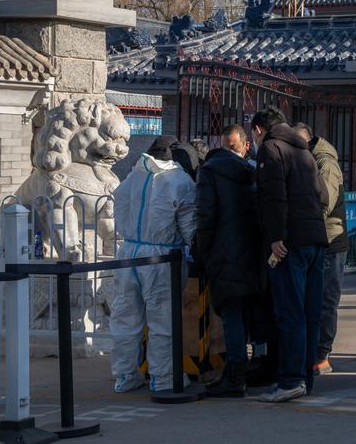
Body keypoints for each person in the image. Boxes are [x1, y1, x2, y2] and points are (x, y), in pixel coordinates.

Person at [252, 107, 329, 403]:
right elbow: (322, 195)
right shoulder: (305, 151)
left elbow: (273, 196)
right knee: (310, 313)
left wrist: (275, 237)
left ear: (259, 129)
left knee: (290, 312)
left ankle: (290, 380)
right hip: (315, 240)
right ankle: (305, 378)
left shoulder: (271, 149)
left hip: (290, 242)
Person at [110, 136, 196, 393]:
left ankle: (125, 375)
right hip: (162, 257)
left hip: (128, 252)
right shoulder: (180, 181)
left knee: (125, 318)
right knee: (162, 320)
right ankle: (164, 377)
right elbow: (189, 224)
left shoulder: (133, 176)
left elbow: (119, 206)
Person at [195, 127, 264, 398]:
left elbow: (206, 216)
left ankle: (235, 375)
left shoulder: (210, 172)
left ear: (221, 144)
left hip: (224, 252)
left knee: (232, 314)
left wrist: (203, 250)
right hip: (252, 252)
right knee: (245, 313)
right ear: (245, 146)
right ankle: (244, 368)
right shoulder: (255, 172)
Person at [291, 123, 349, 376]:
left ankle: (321, 355)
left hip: (330, 240)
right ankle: (312, 352)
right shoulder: (310, 159)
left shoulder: (324, 163)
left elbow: (324, 201)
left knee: (325, 300)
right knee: (311, 299)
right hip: (315, 236)